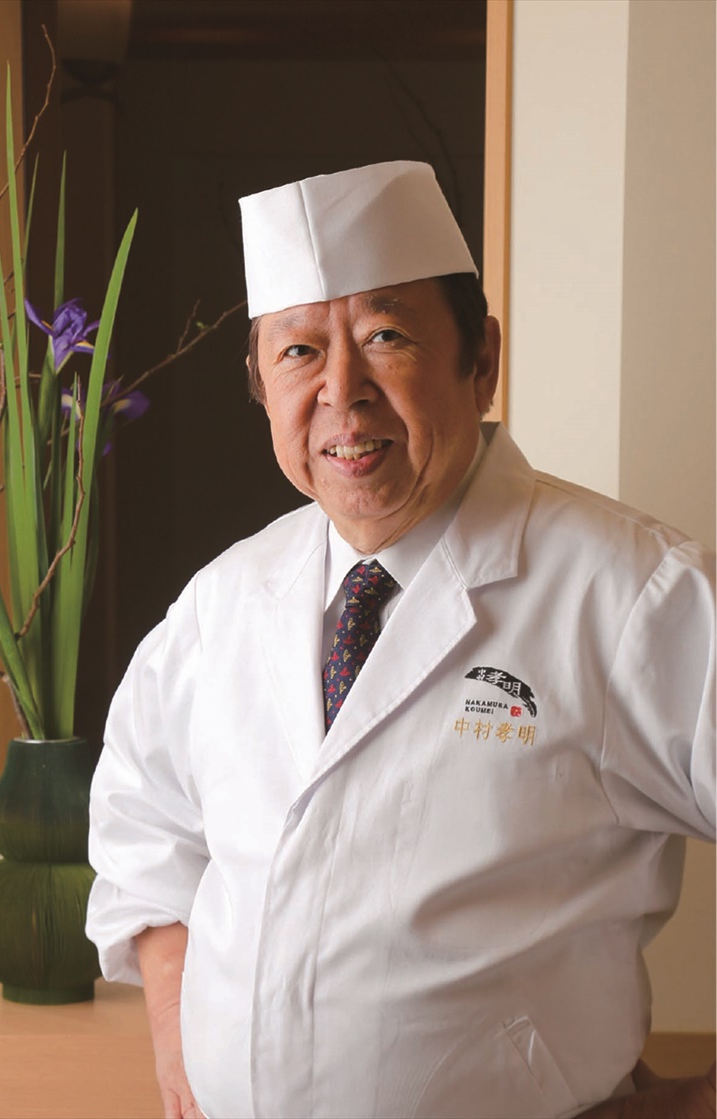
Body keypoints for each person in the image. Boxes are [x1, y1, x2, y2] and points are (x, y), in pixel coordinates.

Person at [86, 161, 715, 1119]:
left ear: (482, 359)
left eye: (386, 336)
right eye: (299, 352)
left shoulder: (634, 594)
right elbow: (145, 828)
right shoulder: (224, 603)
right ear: (260, 385)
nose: (342, 393)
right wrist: (180, 1040)